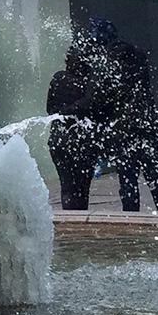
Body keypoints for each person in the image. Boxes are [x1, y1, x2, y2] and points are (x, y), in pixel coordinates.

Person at [84, 18, 158, 213]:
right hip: (146, 124)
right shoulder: (137, 56)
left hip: (124, 129)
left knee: (128, 179)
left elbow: (101, 96)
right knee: (155, 176)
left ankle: (131, 219)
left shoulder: (108, 61)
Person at [47, 36, 101, 210]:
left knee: (67, 186)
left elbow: (49, 109)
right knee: (82, 187)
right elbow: (94, 109)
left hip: (59, 139)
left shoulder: (58, 78)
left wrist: (63, 112)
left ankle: (70, 220)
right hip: (83, 140)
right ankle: (81, 220)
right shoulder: (90, 83)